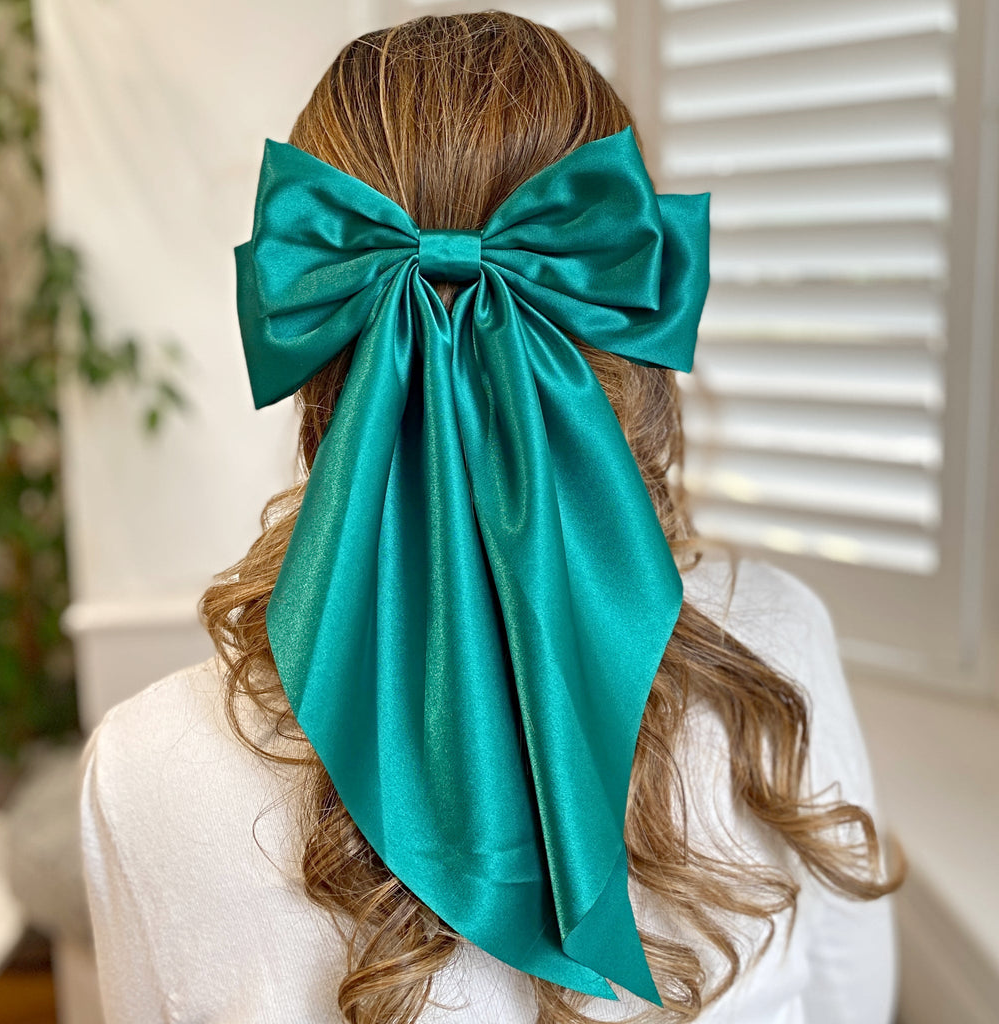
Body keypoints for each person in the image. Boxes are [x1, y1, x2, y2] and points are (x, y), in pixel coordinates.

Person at [79, 11, 906, 1024]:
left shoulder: (141, 769)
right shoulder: (781, 649)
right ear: (630, 322)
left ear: (319, 345)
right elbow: (854, 1002)